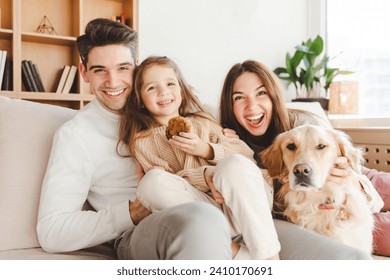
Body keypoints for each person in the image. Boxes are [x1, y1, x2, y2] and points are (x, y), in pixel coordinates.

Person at [36, 18, 233, 260]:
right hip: (142, 229)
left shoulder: (168, 104)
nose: (113, 81)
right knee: (202, 220)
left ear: (136, 67)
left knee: (292, 241)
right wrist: (133, 211)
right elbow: (52, 231)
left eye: (123, 68)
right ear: (84, 73)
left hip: (209, 201)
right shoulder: (76, 135)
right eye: (100, 70)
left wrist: (222, 144)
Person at [219, 59, 385, 259]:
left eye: (261, 93)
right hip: (309, 199)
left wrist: (353, 181)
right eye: (239, 97)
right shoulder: (226, 142)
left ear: (273, 95)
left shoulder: (305, 123)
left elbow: (374, 198)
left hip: (346, 177)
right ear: (230, 105)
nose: (251, 106)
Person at [118, 56, 280, 260]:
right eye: (151, 88)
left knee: (234, 165)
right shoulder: (144, 142)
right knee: (151, 182)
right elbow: (170, 186)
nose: (163, 92)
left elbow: (246, 156)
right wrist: (205, 176)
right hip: (206, 215)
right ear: (140, 99)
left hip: (243, 202)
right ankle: (240, 256)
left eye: (170, 83)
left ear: (181, 90)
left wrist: (207, 150)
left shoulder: (203, 121)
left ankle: (270, 259)